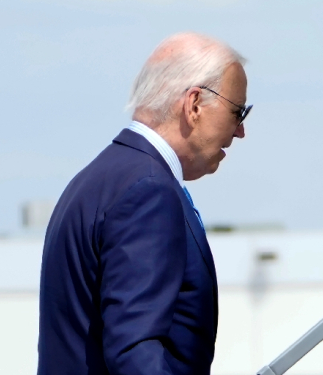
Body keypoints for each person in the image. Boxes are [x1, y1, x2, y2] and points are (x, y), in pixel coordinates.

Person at [37, 32, 251, 375]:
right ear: (194, 104)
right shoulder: (149, 190)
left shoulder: (96, 180)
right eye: (238, 111)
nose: (240, 131)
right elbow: (136, 353)